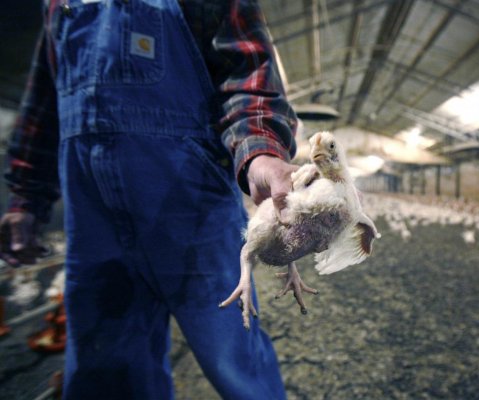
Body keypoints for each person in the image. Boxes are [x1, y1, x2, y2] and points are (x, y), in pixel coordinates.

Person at [0, 0, 298, 399]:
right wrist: (25, 195)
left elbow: (247, 72)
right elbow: (43, 105)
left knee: (234, 355)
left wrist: (260, 152)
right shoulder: (59, 3)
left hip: (191, 207)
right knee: (105, 365)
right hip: (92, 221)